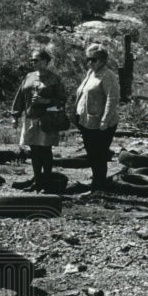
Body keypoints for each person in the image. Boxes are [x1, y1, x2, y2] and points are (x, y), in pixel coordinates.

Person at [10, 47, 67, 191]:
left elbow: (61, 100)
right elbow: (20, 97)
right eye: (32, 60)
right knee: (34, 150)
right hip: (30, 118)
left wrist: (46, 101)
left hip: (47, 119)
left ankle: (46, 183)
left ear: (44, 61)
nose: (32, 62)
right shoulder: (29, 76)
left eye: (35, 60)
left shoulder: (54, 79)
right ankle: (37, 181)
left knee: (45, 150)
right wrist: (15, 116)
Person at [74, 43, 120, 191]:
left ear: (101, 60)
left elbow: (112, 99)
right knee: (93, 155)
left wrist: (104, 120)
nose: (89, 62)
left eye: (92, 59)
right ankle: (97, 184)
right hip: (87, 122)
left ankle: (98, 188)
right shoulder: (90, 74)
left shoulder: (108, 76)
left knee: (99, 156)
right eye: (88, 59)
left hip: (101, 123)